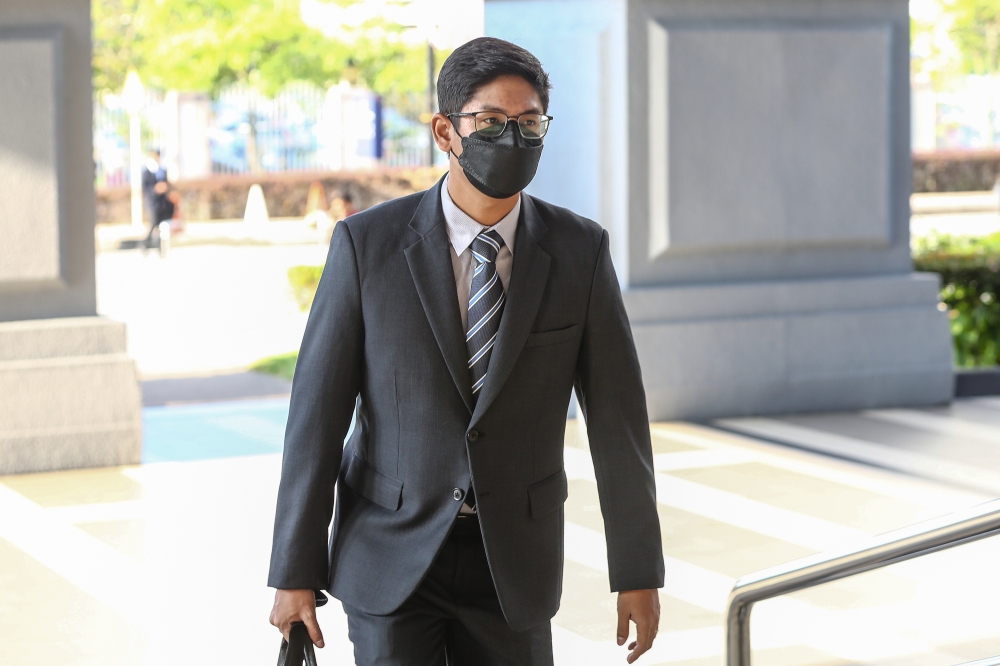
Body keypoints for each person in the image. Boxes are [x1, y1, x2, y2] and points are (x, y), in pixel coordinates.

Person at [268, 37, 664, 666]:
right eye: (491, 123)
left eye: (529, 123)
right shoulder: (365, 247)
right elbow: (315, 418)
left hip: (514, 565)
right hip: (389, 556)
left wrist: (637, 571)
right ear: (445, 131)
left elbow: (619, 424)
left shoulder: (579, 252)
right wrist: (294, 570)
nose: (513, 139)